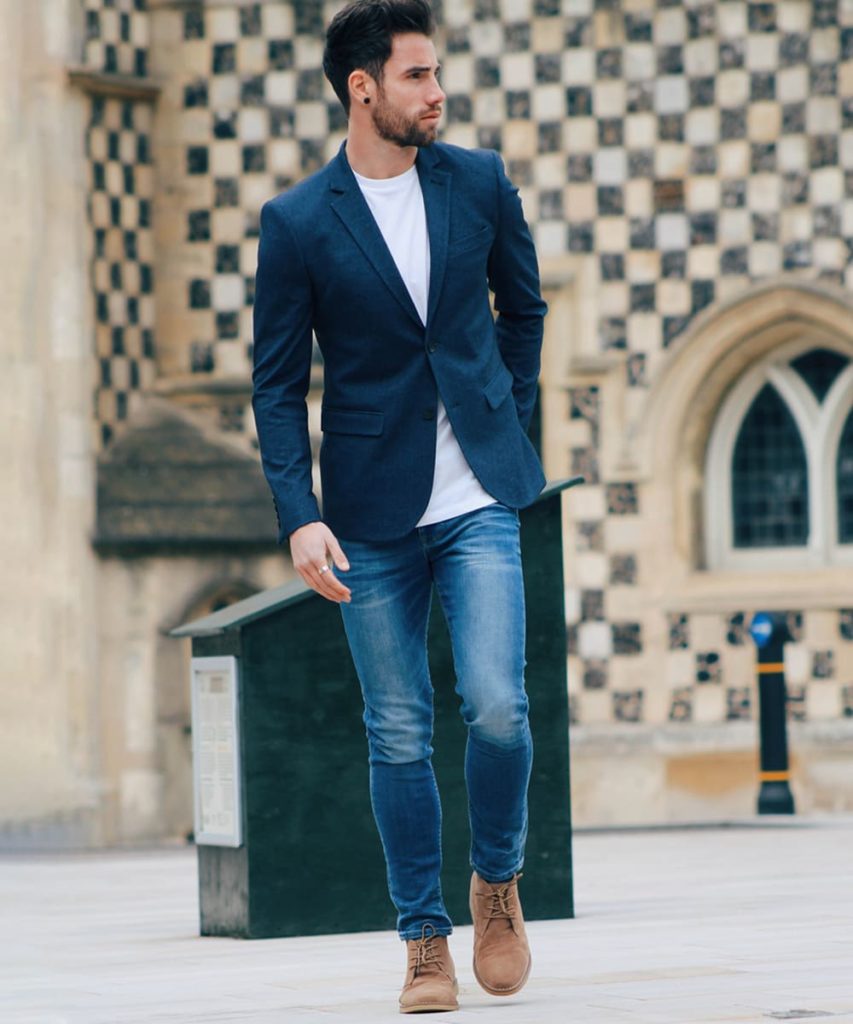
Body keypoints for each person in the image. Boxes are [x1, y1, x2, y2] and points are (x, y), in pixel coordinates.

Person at [252, 0, 547, 1013]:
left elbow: (525, 308)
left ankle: (497, 883)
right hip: (368, 513)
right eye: (417, 75)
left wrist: (508, 420)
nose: (437, 91)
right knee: (399, 731)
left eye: (436, 73)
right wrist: (298, 511)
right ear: (362, 87)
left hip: (478, 497)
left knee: (499, 709)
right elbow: (276, 385)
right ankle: (424, 940)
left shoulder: (477, 180)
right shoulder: (295, 223)